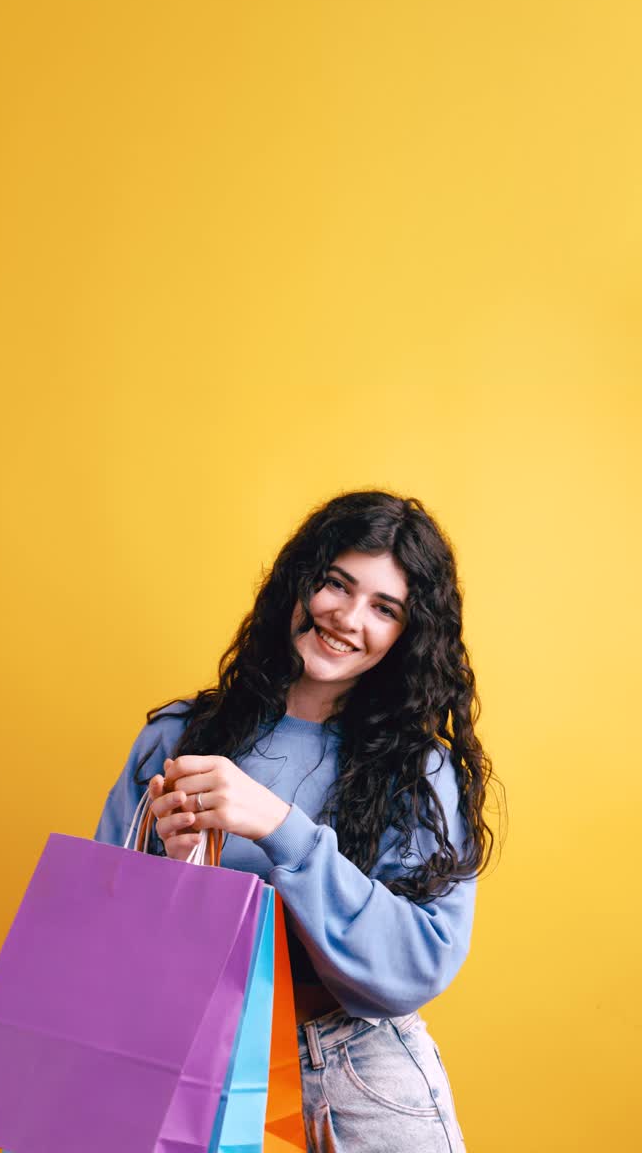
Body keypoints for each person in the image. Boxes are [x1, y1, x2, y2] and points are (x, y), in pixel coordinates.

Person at [95, 489, 501, 1152]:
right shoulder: (179, 740)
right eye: (336, 584)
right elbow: (106, 944)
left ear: (408, 634)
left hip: (361, 1069)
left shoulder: (417, 772)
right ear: (300, 581)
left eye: (384, 608)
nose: (347, 617)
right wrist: (177, 866)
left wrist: (281, 827)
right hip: (197, 1066)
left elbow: (418, 964)